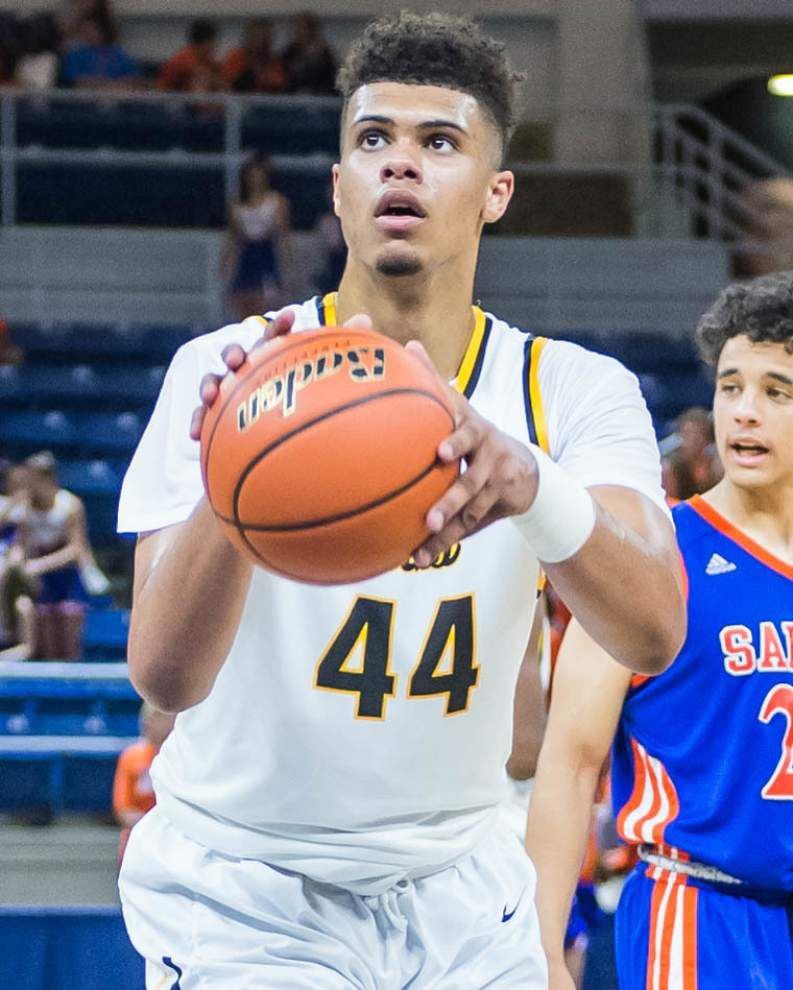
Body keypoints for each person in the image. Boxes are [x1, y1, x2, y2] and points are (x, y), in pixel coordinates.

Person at [117, 13, 685, 987]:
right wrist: (235, 478)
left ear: (496, 192)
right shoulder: (226, 371)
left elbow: (653, 630)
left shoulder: (572, 392)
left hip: (464, 883)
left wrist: (528, 487)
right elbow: (163, 677)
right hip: (250, 887)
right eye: (371, 140)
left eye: (439, 142)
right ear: (336, 187)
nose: (399, 166)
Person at [527, 271, 793, 989]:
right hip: (700, 910)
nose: (744, 413)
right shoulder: (653, 557)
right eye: (731, 386)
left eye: (775, 393)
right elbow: (571, 759)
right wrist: (543, 950)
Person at [13, 451, 98, 659]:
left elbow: (76, 548)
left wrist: (39, 565)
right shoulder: (25, 508)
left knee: (69, 642)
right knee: (48, 645)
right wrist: (22, 563)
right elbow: (22, 544)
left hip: (68, 576)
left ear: (48, 479)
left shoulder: (69, 505)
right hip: (42, 582)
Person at [221, 155, 291, 321]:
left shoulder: (277, 202)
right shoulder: (237, 206)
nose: (255, 179)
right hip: (247, 255)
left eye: (259, 174)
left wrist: (288, 266)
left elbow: (283, 236)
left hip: (266, 254)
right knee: (242, 302)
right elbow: (233, 239)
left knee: (265, 304)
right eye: (252, 174)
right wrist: (225, 264)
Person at [113, 702, 175, 866]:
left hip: (176, 848)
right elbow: (124, 810)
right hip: (138, 846)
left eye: (157, 716)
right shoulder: (131, 757)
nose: (148, 722)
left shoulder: (184, 759)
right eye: (146, 717)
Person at [60, 12, 139, 90]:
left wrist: (112, 86)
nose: (88, 33)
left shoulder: (119, 53)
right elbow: (76, 81)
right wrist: (104, 85)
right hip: (83, 99)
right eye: (84, 30)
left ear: (103, 30)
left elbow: (132, 79)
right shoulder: (74, 55)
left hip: (117, 97)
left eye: (92, 29)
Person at [157, 18, 222, 94]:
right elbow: (200, 98)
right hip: (172, 101)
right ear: (207, 43)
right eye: (214, 43)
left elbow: (221, 83)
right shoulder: (184, 61)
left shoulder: (207, 61)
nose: (216, 47)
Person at [223, 17, 286, 94]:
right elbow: (227, 83)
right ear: (249, 36)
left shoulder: (273, 60)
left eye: (266, 36)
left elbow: (278, 84)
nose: (262, 40)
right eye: (258, 35)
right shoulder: (236, 57)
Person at [282, 12, 337, 95]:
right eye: (296, 29)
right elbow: (284, 79)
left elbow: (332, 80)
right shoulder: (289, 52)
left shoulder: (324, 54)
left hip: (319, 98)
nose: (298, 32)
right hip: (292, 99)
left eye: (302, 28)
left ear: (312, 30)